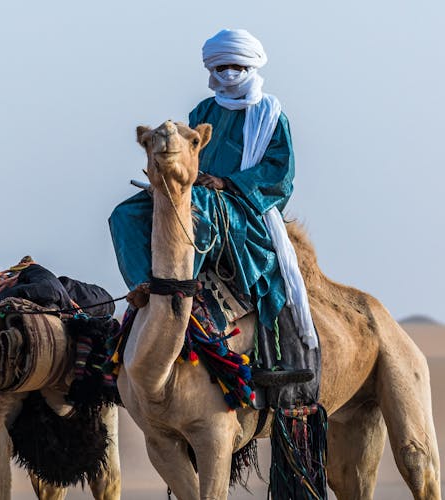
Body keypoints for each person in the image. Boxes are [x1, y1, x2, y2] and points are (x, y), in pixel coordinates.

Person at [109, 28, 317, 386]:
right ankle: (145, 284)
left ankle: (189, 290)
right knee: (124, 214)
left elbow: (279, 174)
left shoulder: (269, 115)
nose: (227, 74)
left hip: (242, 207)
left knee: (198, 206)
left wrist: (226, 183)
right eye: (220, 67)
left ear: (250, 65)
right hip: (195, 192)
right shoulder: (203, 111)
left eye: (234, 66)